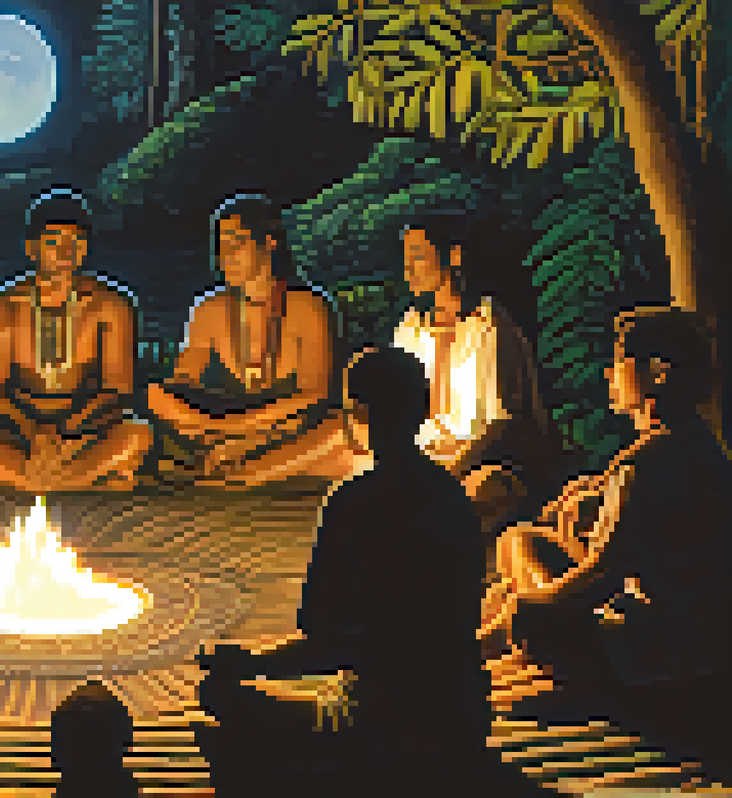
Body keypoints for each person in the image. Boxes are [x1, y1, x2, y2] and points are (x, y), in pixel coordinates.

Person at [196, 347, 550, 796]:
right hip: (461, 717)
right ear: (422, 408)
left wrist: (246, 662)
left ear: (355, 417)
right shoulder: (453, 499)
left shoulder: (353, 502)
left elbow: (323, 640)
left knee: (220, 700)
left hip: (379, 722)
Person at [504, 305, 731, 784]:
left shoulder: (643, 467)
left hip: (649, 654)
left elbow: (598, 578)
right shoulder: (703, 449)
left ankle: (572, 680)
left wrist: (529, 604)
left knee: (521, 557)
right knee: (525, 543)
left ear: (657, 373)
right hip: (696, 639)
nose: (609, 374)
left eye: (619, 362)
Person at [146, 194, 368, 490]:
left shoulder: (309, 306)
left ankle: (236, 472)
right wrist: (216, 423)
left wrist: (235, 427)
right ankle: (248, 462)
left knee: (344, 429)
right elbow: (183, 384)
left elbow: (315, 395)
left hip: (284, 427)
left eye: (237, 244)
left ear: (269, 242)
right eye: (221, 248)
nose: (227, 257)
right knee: (154, 396)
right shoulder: (208, 309)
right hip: (221, 427)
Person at [0, 187, 153, 493]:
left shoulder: (111, 306)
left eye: (75, 242)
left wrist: (66, 431)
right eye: (53, 243)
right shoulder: (1, 308)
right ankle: (88, 479)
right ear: (32, 249)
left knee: (138, 434)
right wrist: (34, 431)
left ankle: (18, 479)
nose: (65, 252)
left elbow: (118, 388)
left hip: (84, 431)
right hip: (18, 431)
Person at [393, 214, 561, 535]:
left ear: (452, 256)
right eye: (405, 260)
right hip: (425, 459)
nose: (409, 271)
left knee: (473, 496)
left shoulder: (489, 326)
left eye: (417, 257)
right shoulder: (410, 330)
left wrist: (450, 469)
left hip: (483, 462)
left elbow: (502, 426)